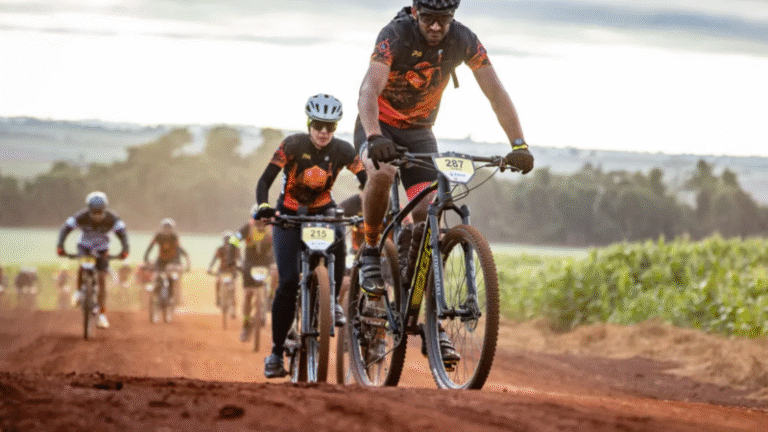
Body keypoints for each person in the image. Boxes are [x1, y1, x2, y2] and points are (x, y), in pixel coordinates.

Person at [355, 0, 535, 361]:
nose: (436, 27)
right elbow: (368, 90)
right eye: (429, 19)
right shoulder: (395, 35)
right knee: (383, 173)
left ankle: (427, 314)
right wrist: (374, 136)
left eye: (444, 19)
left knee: (428, 211)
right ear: (415, 13)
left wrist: (519, 144)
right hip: (380, 125)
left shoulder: (464, 40)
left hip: (420, 132)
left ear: (453, 17)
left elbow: (496, 93)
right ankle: (372, 249)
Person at [254, 93, 367, 378]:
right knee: (288, 282)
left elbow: (366, 179)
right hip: (289, 214)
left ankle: (332, 301)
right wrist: (264, 206)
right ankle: (276, 353)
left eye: (330, 126)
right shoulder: (292, 145)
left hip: (322, 211)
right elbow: (265, 180)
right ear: (309, 123)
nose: (323, 132)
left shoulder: (343, 150)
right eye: (318, 125)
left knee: (339, 231)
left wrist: (371, 203)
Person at [56, 191, 129, 328]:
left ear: (105, 209)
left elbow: (122, 234)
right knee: (83, 265)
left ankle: (102, 315)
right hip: (85, 247)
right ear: (89, 210)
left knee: (101, 279)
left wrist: (125, 249)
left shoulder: (113, 219)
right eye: (94, 212)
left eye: (100, 212)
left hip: (102, 249)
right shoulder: (80, 216)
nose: (97, 215)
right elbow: (65, 229)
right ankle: (78, 291)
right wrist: (60, 246)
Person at [230, 208, 278, 342]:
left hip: (267, 262)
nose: (261, 221)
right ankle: (246, 324)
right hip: (249, 264)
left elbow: (282, 243)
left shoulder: (273, 229)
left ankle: (270, 297)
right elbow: (233, 240)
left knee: (276, 272)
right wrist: (231, 259)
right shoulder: (247, 228)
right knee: (247, 295)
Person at [143, 218, 191, 304]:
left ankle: (174, 299)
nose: (167, 229)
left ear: (172, 228)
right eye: (165, 227)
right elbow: (150, 247)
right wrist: (146, 259)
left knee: (172, 279)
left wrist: (178, 262)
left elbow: (178, 249)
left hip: (172, 261)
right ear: (162, 228)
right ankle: (155, 296)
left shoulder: (174, 237)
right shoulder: (158, 236)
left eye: (168, 227)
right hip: (160, 260)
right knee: (156, 276)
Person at [207, 231, 241, 308]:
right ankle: (218, 298)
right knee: (217, 283)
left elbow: (240, 259)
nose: (227, 241)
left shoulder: (236, 249)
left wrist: (240, 266)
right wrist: (209, 268)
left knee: (233, 287)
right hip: (222, 271)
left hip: (232, 271)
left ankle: (233, 302)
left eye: (228, 239)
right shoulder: (220, 249)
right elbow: (214, 259)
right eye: (226, 239)